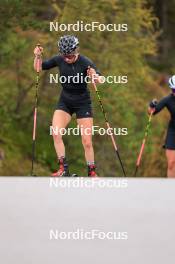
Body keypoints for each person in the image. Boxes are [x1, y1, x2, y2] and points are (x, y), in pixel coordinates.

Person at [33, 35, 102, 177]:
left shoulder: (85, 62)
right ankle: (63, 169)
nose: (67, 59)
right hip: (65, 101)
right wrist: (37, 56)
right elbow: (38, 68)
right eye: (64, 55)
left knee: (87, 141)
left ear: (76, 51)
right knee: (56, 132)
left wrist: (94, 75)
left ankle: (91, 171)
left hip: (83, 103)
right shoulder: (59, 59)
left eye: (69, 56)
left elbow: (101, 79)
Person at [148, 75, 175, 177]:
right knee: (171, 163)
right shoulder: (168, 99)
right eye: (173, 89)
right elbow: (151, 112)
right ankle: (170, 188)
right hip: (173, 130)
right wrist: (151, 105)